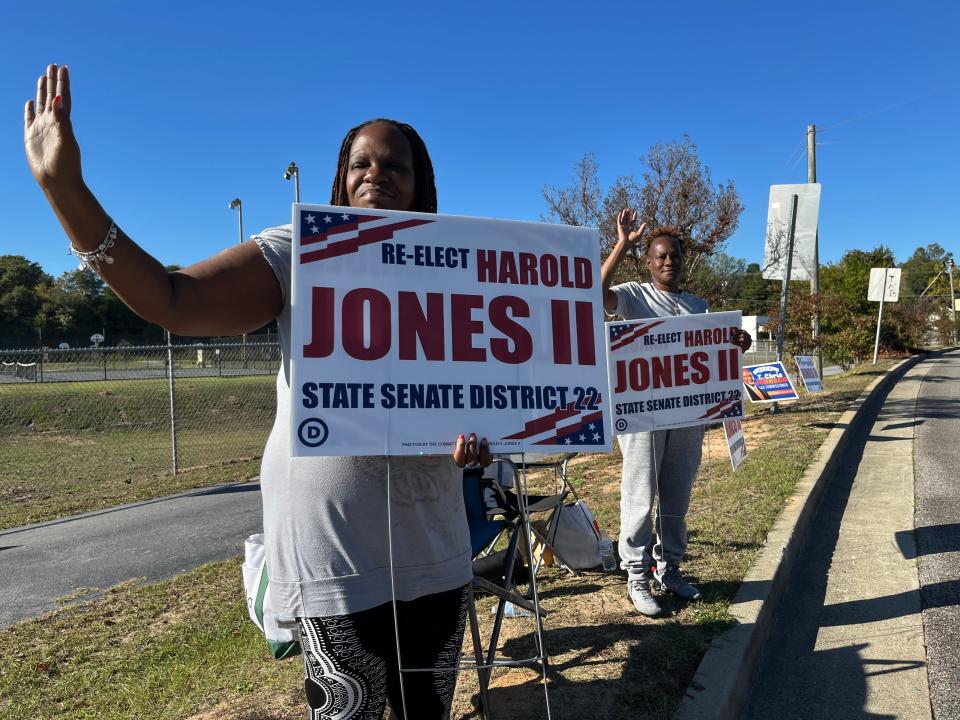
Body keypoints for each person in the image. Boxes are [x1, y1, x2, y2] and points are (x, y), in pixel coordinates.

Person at [24, 63, 490, 719]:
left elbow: (487, 400)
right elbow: (174, 299)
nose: (376, 175)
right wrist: (65, 189)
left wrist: (481, 444)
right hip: (335, 554)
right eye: (360, 164)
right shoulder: (299, 254)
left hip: (434, 549)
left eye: (395, 166)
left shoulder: (466, 279)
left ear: (422, 186)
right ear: (339, 180)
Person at [601, 208, 751, 617]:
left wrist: (737, 342)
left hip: (688, 418)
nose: (669, 262)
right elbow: (594, 292)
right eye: (661, 256)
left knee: (676, 496)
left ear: (684, 261)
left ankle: (671, 568)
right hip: (642, 418)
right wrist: (621, 244)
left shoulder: (698, 305)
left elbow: (714, 355)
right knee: (639, 492)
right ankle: (636, 573)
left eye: (675, 256)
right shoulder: (634, 295)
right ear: (649, 262)